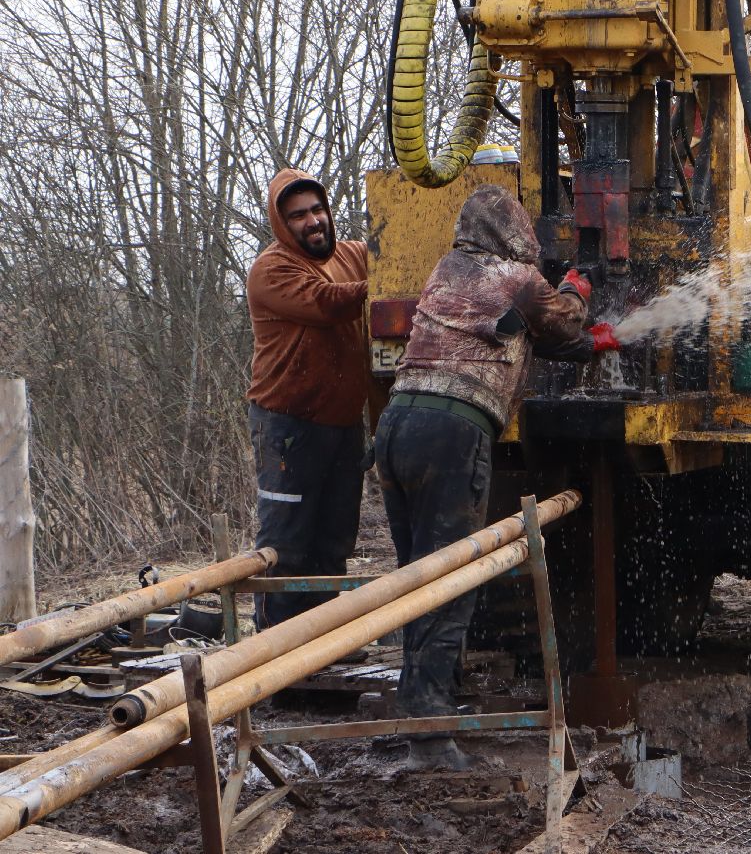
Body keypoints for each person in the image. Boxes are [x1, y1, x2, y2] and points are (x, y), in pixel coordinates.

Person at [375, 184, 619, 771]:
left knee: (417, 577)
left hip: (396, 424)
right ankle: (431, 740)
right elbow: (559, 320)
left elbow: (512, 335)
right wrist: (576, 287)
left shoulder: (451, 269)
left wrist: (590, 348)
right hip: (451, 432)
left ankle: (420, 709)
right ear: (514, 231)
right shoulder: (515, 277)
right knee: (452, 578)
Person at [246, 168, 370, 630]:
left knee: (334, 543)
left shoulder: (353, 255)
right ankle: (275, 659)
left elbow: (392, 256)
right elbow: (329, 302)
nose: (313, 221)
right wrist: (387, 284)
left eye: (317, 209)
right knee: (286, 544)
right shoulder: (272, 269)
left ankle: (322, 650)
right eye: (298, 215)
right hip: (288, 426)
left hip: (342, 424)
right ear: (282, 225)